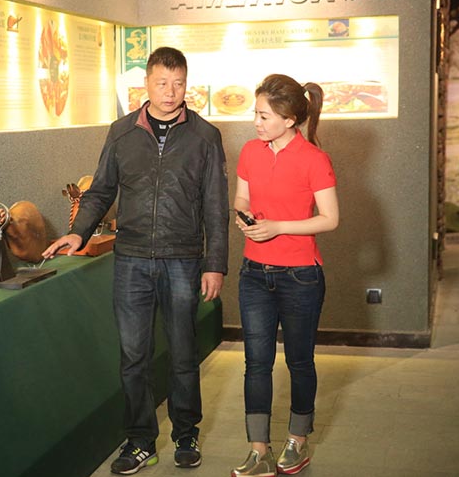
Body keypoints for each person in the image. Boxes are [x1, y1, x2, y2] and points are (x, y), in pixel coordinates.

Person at [42, 46, 229, 474]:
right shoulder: (121, 132)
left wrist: (214, 263)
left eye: (178, 83)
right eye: (162, 83)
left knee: (183, 352)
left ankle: (186, 434)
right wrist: (78, 231)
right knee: (133, 356)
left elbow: (216, 206)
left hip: (183, 258)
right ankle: (141, 440)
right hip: (131, 260)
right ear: (146, 83)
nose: (170, 92)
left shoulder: (205, 137)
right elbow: (100, 191)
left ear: (187, 84)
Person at [230, 74, 339, 477]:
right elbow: (241, 195)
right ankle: (258, 450)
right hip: (253, 274)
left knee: (299, 362)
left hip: (301, 277)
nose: (256, 122)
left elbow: (330, 219)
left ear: (289, 119)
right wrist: (243, 214)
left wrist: (278, 227)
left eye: (264, 116)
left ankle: (298, 440)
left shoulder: (314, 159)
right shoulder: (250, 151)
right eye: (255, 113)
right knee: (256, 363)